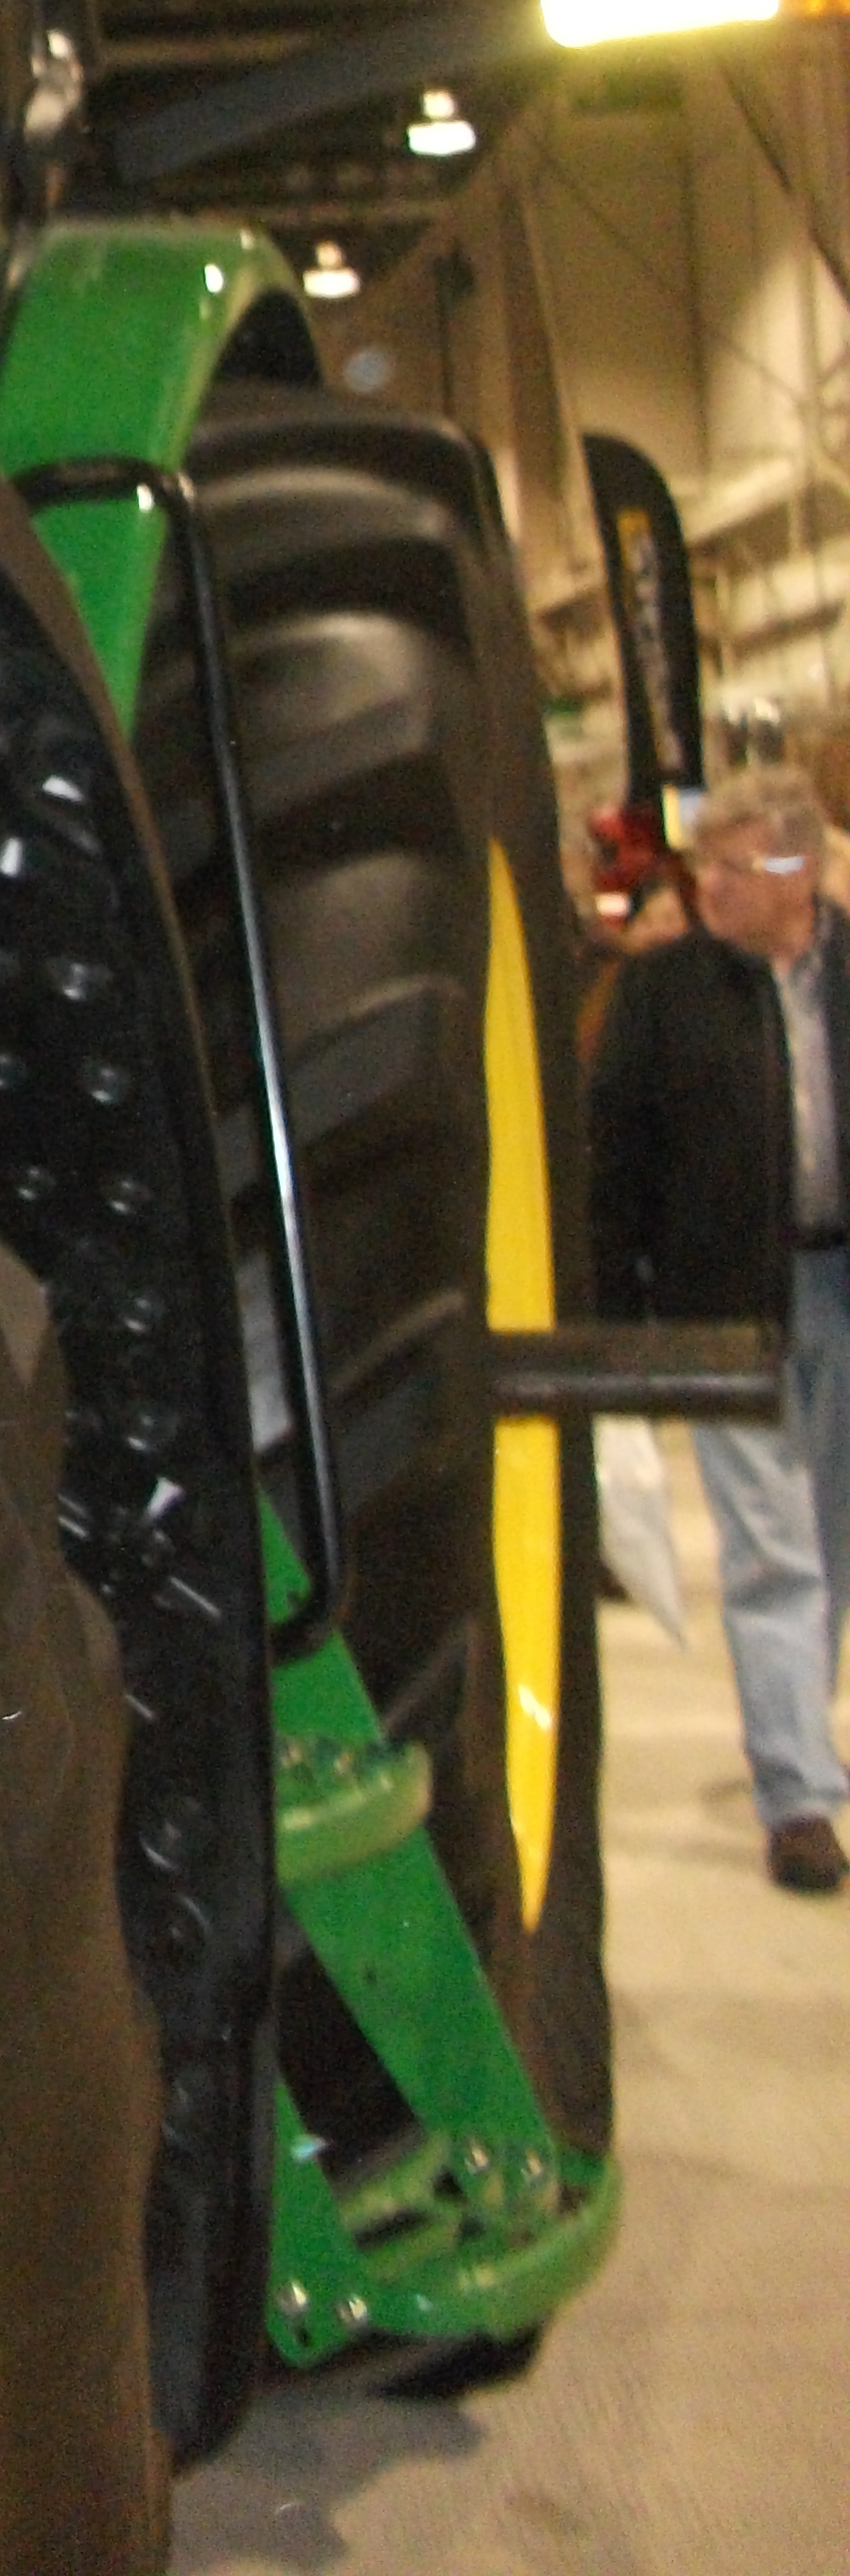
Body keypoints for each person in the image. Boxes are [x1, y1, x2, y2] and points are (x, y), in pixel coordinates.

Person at [589, 762, 850, 1892]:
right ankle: (798, 1796)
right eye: (705, 866)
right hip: (728, 1302)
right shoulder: (665, 991)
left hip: (840, 1289)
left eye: (735, 866)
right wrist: (617, 1312)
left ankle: (800, 1725)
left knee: (830, 1536)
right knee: (771, 1546)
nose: (710, 887)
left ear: (801, 869)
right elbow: (616, 1150)